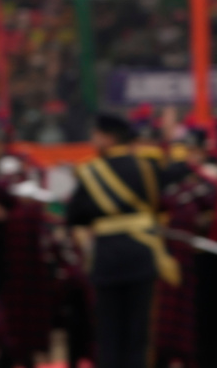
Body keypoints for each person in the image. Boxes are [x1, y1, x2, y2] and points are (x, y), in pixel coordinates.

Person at [66, 112, 178, 368]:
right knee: (139, 331)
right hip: (143, 252)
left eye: (96, 135)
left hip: (108, 257)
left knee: (109, 331)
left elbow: (74, 216)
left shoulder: (91, 171)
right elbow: (164, 200)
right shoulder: (147, 167)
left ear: (109, 138)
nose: (93, 141)